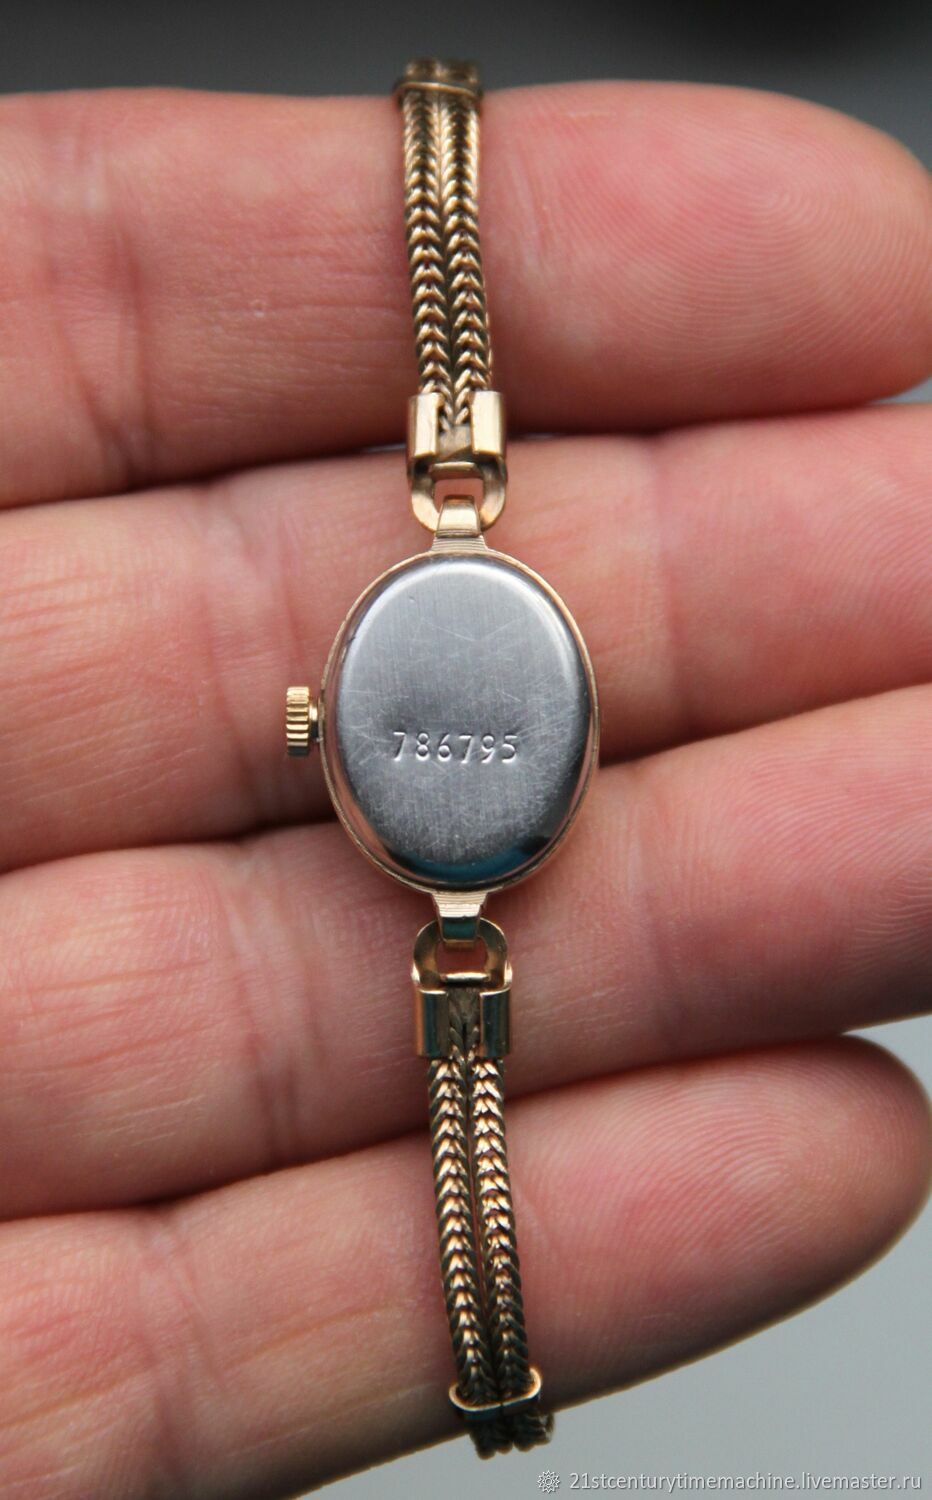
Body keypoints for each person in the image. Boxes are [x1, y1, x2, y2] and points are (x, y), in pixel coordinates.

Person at [0, 80, 929, 1497]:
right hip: (462, 855)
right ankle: (494, 1379)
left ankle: (495, 1375)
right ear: (321, 727)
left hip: (467, 852)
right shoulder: (444, 622)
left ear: (315, 728)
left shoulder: (439, 631)